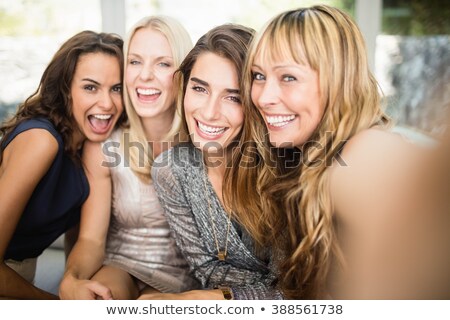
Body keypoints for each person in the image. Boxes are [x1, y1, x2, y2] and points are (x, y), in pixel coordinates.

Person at [225, 5, 450, 299]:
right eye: (258, 76)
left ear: (338, 80)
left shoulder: (365, 151)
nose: (264, 97)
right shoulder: (304, 156)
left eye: (288, 77)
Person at [59, 16, 198, 300]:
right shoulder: (103, 146)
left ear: (183, 72)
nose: (144, 75)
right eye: (135, 61)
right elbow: (91, 239)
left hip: (191, 281)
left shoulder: (205, 142)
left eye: (163, 63)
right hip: (121, 266)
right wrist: (71, 280)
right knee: (101, 299)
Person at [148, 24, 283, 300]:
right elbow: (206, 271)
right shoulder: (171, 170)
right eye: (200, 88)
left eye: (232, 97)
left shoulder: (284, 172)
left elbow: (295, 289)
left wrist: (201, 300)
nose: (209, 112)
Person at [0, 30, 124, 299]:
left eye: (117, 88)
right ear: (65, 89)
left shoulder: (88, 147)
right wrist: (59, 304)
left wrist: (74, 282)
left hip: (19, 274)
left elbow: (82, 239)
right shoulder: (42, 140)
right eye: (90, 87)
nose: (107, 103)